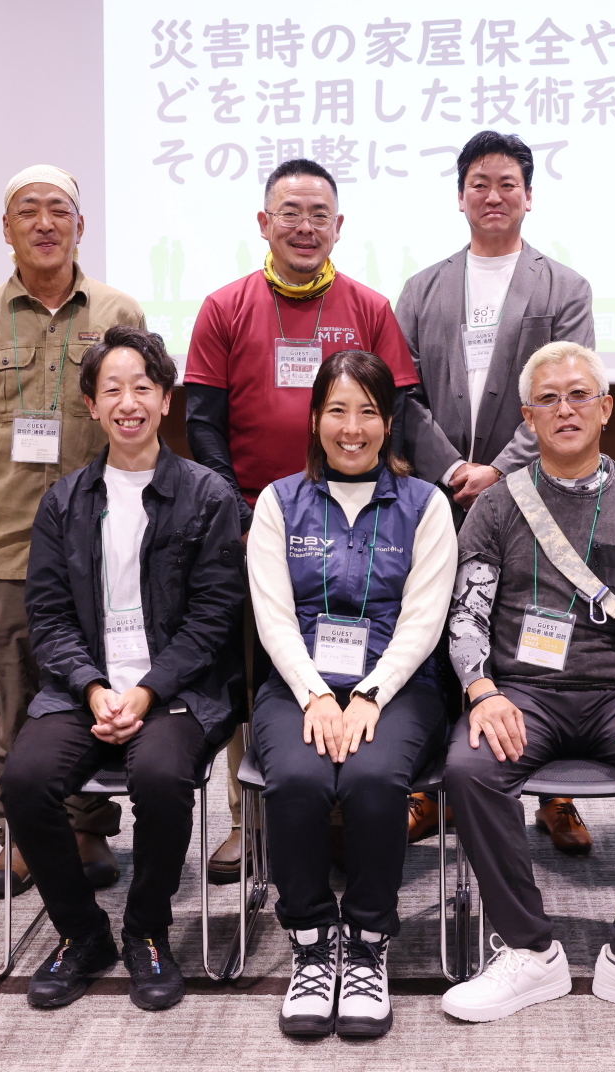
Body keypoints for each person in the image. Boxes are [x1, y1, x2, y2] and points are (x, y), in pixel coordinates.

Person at [439, 342, 615, 1028]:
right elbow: (467, 613)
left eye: (579, 396)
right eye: (548, 399)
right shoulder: (497, 505)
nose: (564, 410)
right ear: (528, 418)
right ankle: (527, 950)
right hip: (523, 694)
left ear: (606, 408)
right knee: (470, 769)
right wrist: (482, 691)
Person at [183, 157, 425, 884]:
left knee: (352, 649)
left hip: (356, 514)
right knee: (255, 667)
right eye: (289, 213)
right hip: (253, 522)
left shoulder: (370, 307)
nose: (304, 227)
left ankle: (344, 814)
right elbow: (202, 422)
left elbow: (400, 412)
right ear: (264, 222)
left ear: (338, 226)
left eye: (319, 214)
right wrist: (238, 513)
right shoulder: (225, 306)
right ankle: (247, 819)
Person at [3, 327, 245, 1011]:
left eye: (143, 387)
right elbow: (48, 616)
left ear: (167, 399)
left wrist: (145, 691)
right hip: (82, 689)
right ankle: (83, 934)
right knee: (24, 781)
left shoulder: (207, 495)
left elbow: (214, 618)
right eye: (112, 389)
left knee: (162, 778)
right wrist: (92, 688)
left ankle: (145, 930)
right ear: (91, 405)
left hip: (175, 691)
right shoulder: (63, 502)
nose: (128, 402)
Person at [394, 129, 597, 856]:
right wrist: (454, 469)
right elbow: (404, 392)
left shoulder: (564, 287)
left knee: (535, 624)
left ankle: (556, 793)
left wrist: (500, 469)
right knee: (434, 627)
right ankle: (431, 788)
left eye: (507, 183)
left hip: (537, 489)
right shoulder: (421, 288)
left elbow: (570, 388)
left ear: (528, 196)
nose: (493, 195)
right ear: (460, 196)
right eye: (479, 183)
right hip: (438, 493)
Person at [246, 350, 458, 1039]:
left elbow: (424, 620)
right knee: (299, 779)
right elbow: (273, 616)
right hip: (297, 685)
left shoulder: (426, 506)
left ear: (388, 422)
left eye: (368, 412)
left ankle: (367, 944)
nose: (352, 427)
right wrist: (315, 696)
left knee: (372, 778)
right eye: (337, 410)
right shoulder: (278, 503)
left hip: (399, 686)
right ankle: (311, 943)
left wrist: (368, 693)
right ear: (314, 419)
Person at [0, 164, 143, 897]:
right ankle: (19, 835)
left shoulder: (118, 311)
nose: (44, 223)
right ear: (6, 229)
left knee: (95, 685)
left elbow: (135, 415)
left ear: (80, 224)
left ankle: (87, 827)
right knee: (9, 692)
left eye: (58, 209)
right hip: (4, 543)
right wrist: (0, 493)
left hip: (99, 544)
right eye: (27, 211)